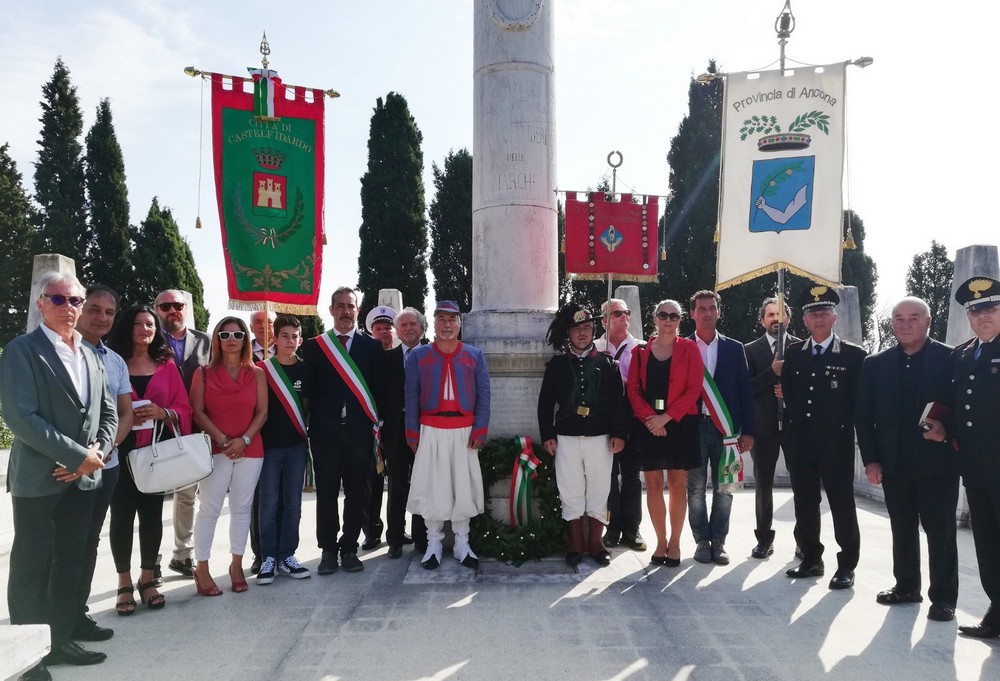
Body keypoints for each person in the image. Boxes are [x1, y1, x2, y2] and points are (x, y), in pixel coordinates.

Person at [0, 271, 117, 677]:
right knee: (34, 565)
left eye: (75, 301)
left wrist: (96, 452)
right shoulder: (22, 350)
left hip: (83, 479)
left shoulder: (90, 353)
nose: (69, 308)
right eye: (59, 299)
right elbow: (20, 416)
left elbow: (107, 412)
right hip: (39, 481)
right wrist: (75, 456)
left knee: (71, 561)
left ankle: (60, 638)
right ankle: (29, 658)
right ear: (40, 303)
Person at [855, 297, 959, 622]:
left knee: (940, 531)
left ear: (928, 321)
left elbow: (965, 409)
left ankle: (943, 598)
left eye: (913, 318)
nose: (905, 324)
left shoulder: (952, 358)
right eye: (899, 318)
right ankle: (906, 586)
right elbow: (864, 415)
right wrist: (870, 459)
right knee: (902, 528)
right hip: (894, 464)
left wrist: (947, 430)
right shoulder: (875, 364)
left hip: (938, 464)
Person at [107, 305, 192, 615]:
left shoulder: (167, 365)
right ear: (127, 327)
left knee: (152, 516)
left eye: (151, 325)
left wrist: (162, 413)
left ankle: (147, 578)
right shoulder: (111, 362)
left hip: (154, 454)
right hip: (118, 451)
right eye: (139, 324)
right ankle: (123, 582)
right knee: (121, 517)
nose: (145, 329)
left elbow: (184, 408)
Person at [781, 285, 866, 589]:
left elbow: (859, 404)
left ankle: (846, 566)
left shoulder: (854, 356)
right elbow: (789, 397)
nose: (818, 318)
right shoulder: (794, 354)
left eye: (823, 312)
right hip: (802, 444)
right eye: (811, 313)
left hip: (836, 444)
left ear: (834, 317)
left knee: (842, 505)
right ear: (804, 320)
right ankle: (811, 557)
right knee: (805, 502)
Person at [302, 287, 385, 575]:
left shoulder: (371, 346)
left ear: (357, 310)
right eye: (340, 306)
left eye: (351, 306)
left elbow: (377, 392)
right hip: (325, 433)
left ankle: (349, 547)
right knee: (325, 492)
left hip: (359, 433)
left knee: (356, 492)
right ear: (331, 310)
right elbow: (307, 392)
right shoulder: (315, 347)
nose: (346, 311)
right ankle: (328, 550)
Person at [538, 304, 627, 566]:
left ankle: (595, 542)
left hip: (601, 437)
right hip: (566, 437)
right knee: (570, 488)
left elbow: (618, 403)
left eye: (587, 328)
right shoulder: (557, 365)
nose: (582, 334)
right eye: (577, 329)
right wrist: (548, 435)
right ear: (569, 333)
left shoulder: (608, 363)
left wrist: (619, 434)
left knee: (600, 488)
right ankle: (576, 542)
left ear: (594, 331)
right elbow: (545, 404)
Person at [406, 300, 491, 570]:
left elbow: (484, 395)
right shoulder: (418, 356)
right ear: (434, 323)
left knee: (462, 488)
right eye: (442, 319)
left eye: (452, 319)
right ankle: (433, 544)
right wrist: (412, 432)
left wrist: (480, 429)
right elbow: (410, 396)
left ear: (459, 324)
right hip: (430, 430)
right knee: (433, 488)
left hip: (464, 432)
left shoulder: (474, 355)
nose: (447, 324)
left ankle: (462, 544)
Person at [190, 317, 268, 596]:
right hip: (215, 449)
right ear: (217, 339)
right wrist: (224, 440)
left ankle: (237, 564)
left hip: (251, 447)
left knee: (242, 508)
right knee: (209, 508)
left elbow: (262, 412)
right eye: (225, 335)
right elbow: (197, 412)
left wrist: (244, 439)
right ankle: (202, 568)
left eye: (237, 334)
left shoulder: (257, 372)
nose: (231, 339)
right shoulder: (203, 373)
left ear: (245, 339)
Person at [74, 285, 133, 640]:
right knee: (61, 543)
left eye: (109, 313)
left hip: (105, 465)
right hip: (65, 468)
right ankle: (53, 622)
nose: (101, 318)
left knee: (88, 540)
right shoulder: (61, 353)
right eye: (94, 309)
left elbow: (124, 411)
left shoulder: (114, 361)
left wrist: (107, 448)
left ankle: (77, 614)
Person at [626, 300, 704, 567]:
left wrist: (665, 419)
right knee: (654, 486)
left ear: (680, 320)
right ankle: (660, 541)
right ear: (655, 318)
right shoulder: (640, 352)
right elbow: (633, 391)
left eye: (674, 315)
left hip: (680, 424)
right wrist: (652, 420)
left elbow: (694, 389)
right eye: (663, 315)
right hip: (649, 426)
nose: (668, 320)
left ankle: (676, 543)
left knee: (679, 485)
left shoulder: (690, 349)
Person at [685, 291, 755, 565]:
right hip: (693, 428)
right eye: (701, 308)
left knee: (726, 487)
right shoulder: (682, 346)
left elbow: (744, 392)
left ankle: (719, 541)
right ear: (692, 313)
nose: (706, 313)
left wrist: (748, 430)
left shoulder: (734, 348)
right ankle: (701, 541)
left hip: (727, 431)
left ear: (718, 312)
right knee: (696, 488)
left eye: (711, 308)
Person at [951, 276, 1000, 639]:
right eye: (976, 311)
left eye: (992, 309)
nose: (983, 317)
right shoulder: (965, 354)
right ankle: (996, 610)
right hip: (977, 468)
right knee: (987, 543)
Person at [154, 289, 210, 579]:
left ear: (186, 308)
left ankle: (182, 554)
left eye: (177, 305)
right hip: (157, 427)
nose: (172, 310)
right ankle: (151, 561)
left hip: (195, 427)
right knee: (150, 496)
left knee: (188, 494)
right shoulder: (149, 338)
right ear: (157, 309)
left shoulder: (205, 341)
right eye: (165, 306)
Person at [256, 314, 312, 584]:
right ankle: (268, 557)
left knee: (293, 504)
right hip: (268, 448)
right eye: (285, 336)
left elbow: (309, 409)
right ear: (274, 339)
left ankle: (288, 555)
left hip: (296, 447)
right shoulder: (261, 370)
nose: (291, 341)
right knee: (268, 504)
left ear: (300, 340)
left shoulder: (305, 370)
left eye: (295, 336)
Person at [744, 297, 800, 559]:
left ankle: (804, 540)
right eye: (770, 315)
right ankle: (763, 539)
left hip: (794, 427)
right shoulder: (750, 350)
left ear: (789, 318)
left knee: (802, 484)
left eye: (780, 314)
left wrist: (788, 392)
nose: (776, 319)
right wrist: (772, 372)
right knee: (763, 484)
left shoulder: (801, 348)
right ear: (762, 320)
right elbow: (745, 388)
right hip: (763, 428)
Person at [594, 298, 646, 552]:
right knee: (608, 478)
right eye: (617, 313)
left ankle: (632, 528)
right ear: (604, 320)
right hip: (604, 422)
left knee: (632, 477)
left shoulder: (641, 348)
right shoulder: (594, 349)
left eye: (626, 312)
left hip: (633, 421)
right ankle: (612, 527)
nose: (624, 316)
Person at [381, 306, 427, 559]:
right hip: (396, 431)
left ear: (421, 328)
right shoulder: (386, 358)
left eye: (413, 324)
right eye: (404, 325)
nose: (409, 329)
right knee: (397, 484)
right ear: (397, 331)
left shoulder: (432, 355)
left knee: (422, 484)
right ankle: (395, 538)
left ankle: (421, 537)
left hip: (425, 429)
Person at [361, 304, 397, 550]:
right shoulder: (363, 359)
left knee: (397, 481)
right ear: (371, 332)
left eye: (387, 328)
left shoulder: (401, 358)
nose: (383, 333)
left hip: (396, 428)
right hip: (370, 430)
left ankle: (398, 530)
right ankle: (372, 531)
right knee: (371, 484)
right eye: (378, 329)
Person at [248, 307, 276, 574]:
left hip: (280, 434)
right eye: (257, 322)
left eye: (268, 322)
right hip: (252, 433)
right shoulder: (244, 354)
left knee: (280, 496)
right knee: (257, 498)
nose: (263, 326)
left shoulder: (287, 354)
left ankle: (280, 549)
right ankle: (260, 552)